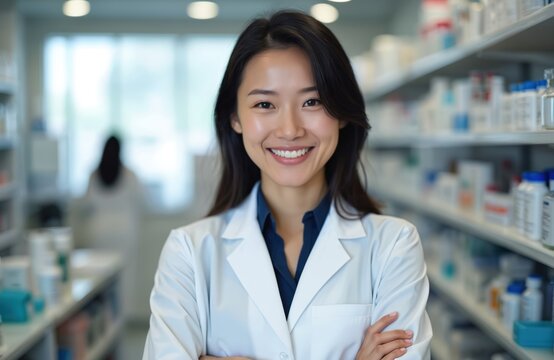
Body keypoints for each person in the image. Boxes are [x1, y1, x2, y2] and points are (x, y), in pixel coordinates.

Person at [143, 10, 432, 360]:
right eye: (265, 104)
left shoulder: (392, 247)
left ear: (340, 113)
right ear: (235, 118)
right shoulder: (189, 253)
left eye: (312, 102)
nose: (290, 129)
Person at [75, 134, 145, 322]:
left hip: (98, 231)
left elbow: (86, 204)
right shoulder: (130, 175)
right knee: (125, 280)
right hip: (124, 231)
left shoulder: (93, 174)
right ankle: (121, 319)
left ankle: (102, 321)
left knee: (100, 281)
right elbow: (141, 200)